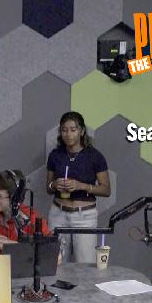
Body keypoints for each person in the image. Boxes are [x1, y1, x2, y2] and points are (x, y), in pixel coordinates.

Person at [46, 111, 110, 263]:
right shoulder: (55, 155)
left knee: (85, 265)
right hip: (58, 214)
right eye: (64, 130)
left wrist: (80, 186)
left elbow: (106, 189)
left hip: (85, 216)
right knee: (56, 263)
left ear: (82, 131)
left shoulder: (94, 156)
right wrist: (55, 184)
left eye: (73, 130)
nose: (68, 134)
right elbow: (48, 188)